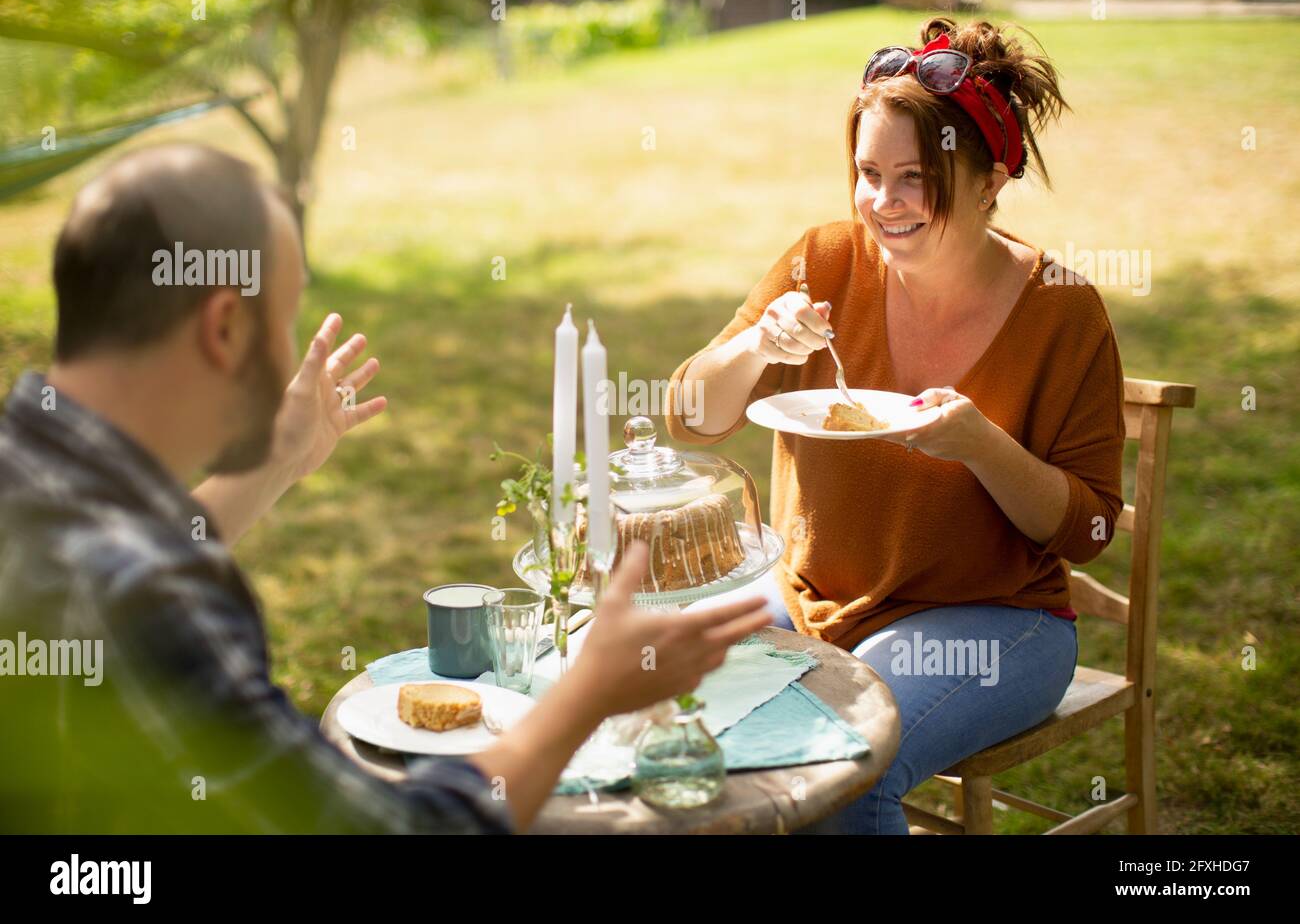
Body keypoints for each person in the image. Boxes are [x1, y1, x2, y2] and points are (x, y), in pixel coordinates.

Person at [0, 143, 770, 833]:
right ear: (224, 327)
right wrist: (589, 692)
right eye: (285, 318)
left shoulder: (30, 465)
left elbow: (104, 557)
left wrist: (272, 464)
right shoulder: (148, 598)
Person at [667, 17, 1126, 834]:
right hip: (807, 603)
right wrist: (755, 346)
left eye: (916, 176)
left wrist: (981, 446)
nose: (884, 202)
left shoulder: (1063, 311)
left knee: (842, 764)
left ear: (991, 179)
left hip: (997, 621)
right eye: (867, 172)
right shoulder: (825, 261)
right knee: (655, 704)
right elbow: (689, 416)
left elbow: (1089, 527)